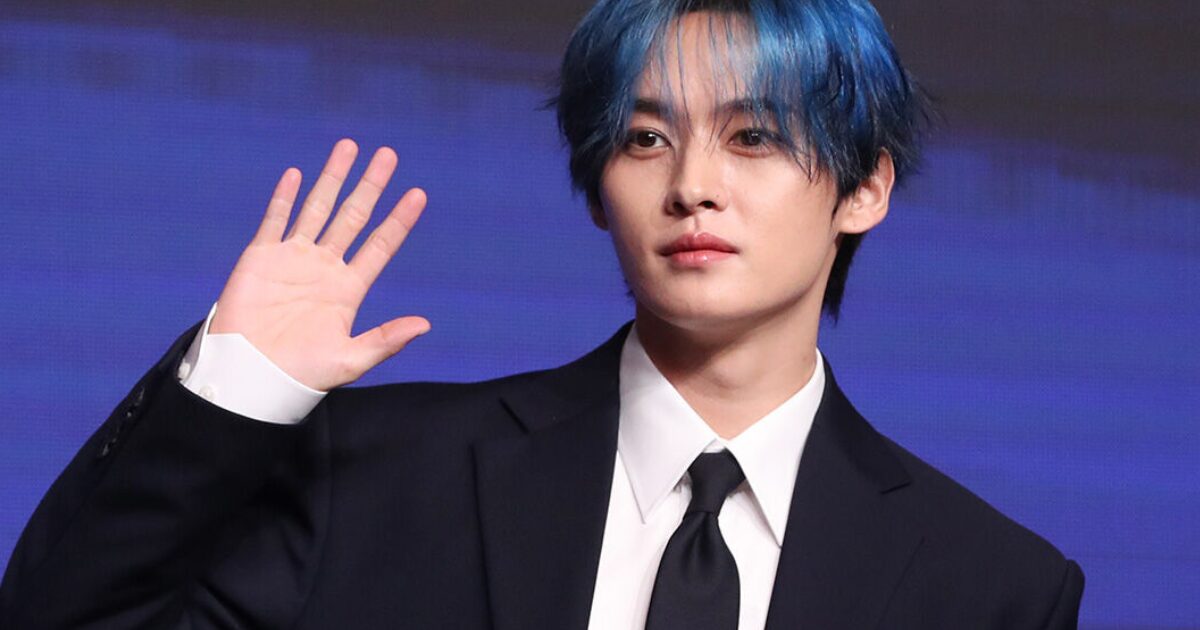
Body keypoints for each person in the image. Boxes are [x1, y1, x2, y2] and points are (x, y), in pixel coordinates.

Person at [0, 0, 1084, 628]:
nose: (692, 185)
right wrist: (234, 389)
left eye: (753, 137)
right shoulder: (374, 474)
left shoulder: (993, 585)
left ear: (865, 189)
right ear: (597, 186)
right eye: (646, 139)